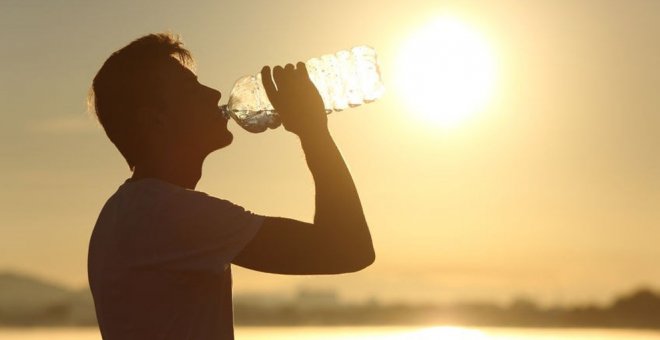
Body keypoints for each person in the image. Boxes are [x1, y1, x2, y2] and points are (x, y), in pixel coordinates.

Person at [86, 33, 375, 339]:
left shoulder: (127, 211)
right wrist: (313, 130)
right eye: (190, 89)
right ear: (155, 121)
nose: (213, 93)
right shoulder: (166, 214)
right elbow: (348, 249)